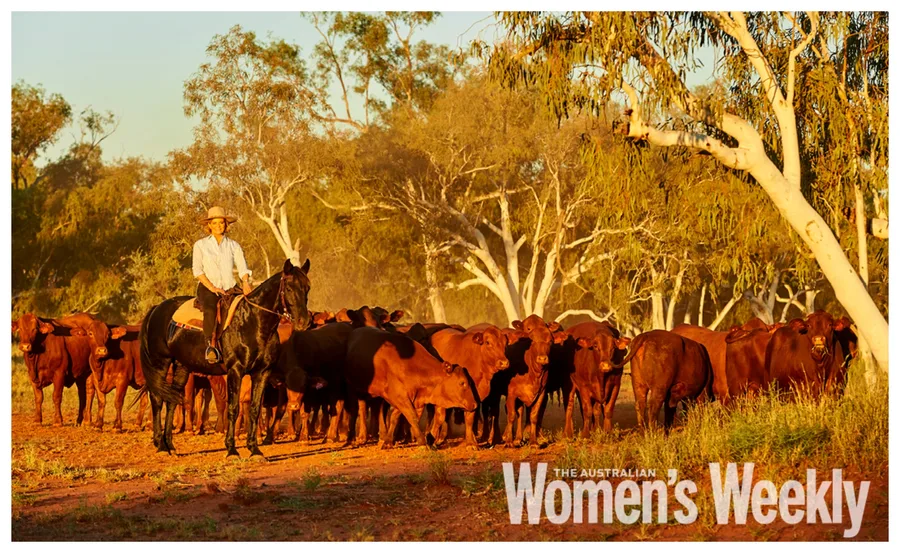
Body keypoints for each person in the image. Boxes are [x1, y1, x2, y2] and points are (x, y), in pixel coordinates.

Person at [192, 206, 253, 363]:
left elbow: (242, 267)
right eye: (215, 223)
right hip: (208, 288)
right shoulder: (200, 245)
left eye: (221, 223)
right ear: (209, 225)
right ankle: (210, 346)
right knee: (211, 310)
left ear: (226, 225)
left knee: (248, 309)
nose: (219, 226)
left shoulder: (234, 246)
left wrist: (245, 283)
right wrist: (213, 288)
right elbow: (197, 270)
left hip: (230, 288)